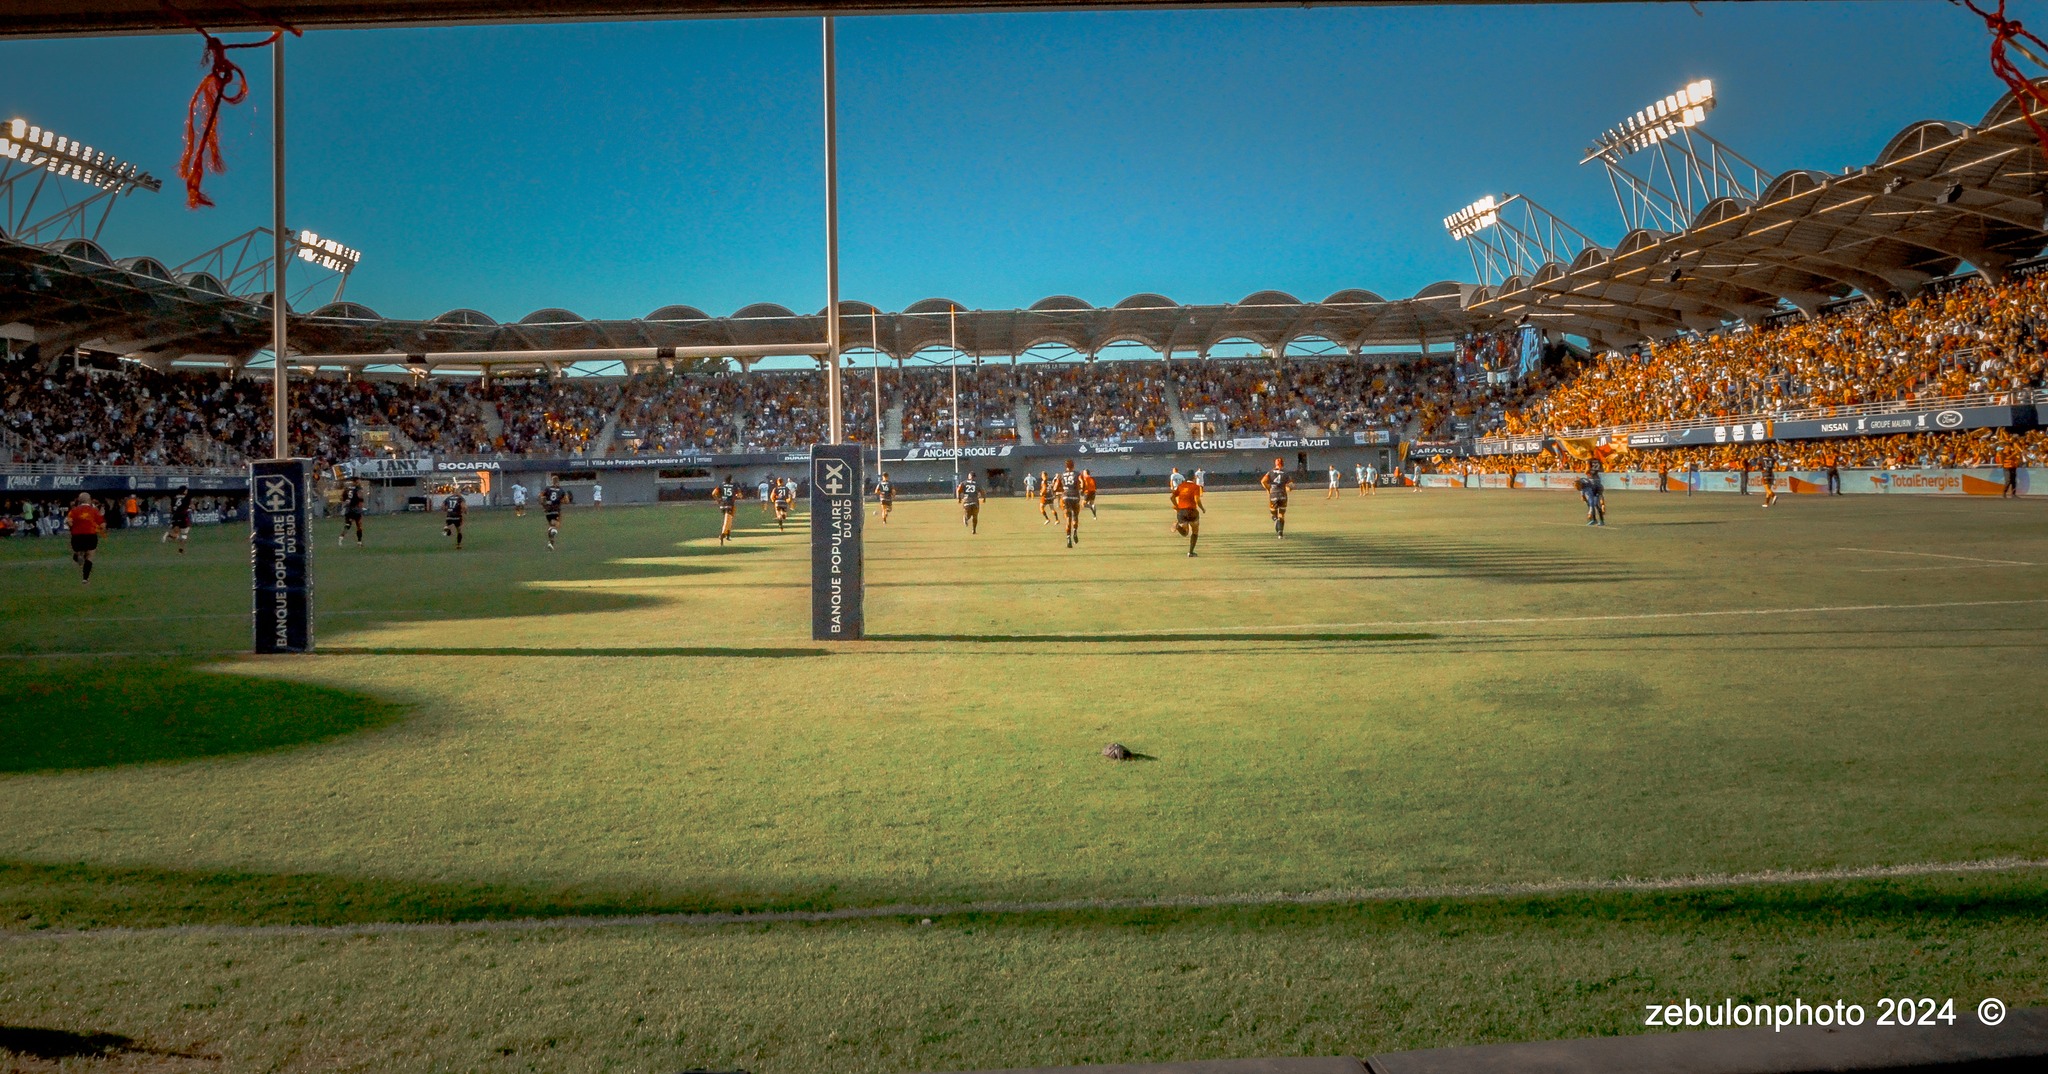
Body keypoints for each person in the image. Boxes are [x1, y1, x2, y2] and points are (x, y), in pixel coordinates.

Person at [66, 493, 104, 584]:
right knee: (90, 556)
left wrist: (72, 528)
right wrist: (100, 530)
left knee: (79, 551)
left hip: (77, 536)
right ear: (89, 500)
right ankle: (85, 579)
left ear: (79, 501)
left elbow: (68, 522)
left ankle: (78, 555)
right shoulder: (94, 510)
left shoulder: (74, 511)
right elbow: (102, 524)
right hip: (90, 535)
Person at [1171, 470, 1205, 557]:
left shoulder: (1181, 486)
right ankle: (1190, 552)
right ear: (1194, 477)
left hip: (1182, 512)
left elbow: (1172, 497)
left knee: (1185, 533)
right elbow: (1197, 500)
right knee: (1195, 531)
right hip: (1192, 512)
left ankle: (1178, 527)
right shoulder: (1196, 487)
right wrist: (1202, 508)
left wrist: (1177, 506)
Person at [1260, 457, 1293, 537]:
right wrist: (1288, 488)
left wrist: (1268, 488)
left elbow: (1263, 481)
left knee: (1273, 513)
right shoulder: (1286, 473)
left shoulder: (1270, 472)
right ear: (1283, 463)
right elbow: (1291, 485)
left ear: (1275, 464)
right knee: (1281, 514)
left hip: (1273, 494)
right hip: (1283, 495)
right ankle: (1280, 534)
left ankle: (1275, 520)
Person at [1056, 459, 1084, 548]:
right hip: (1075, 496)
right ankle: (1075, 531)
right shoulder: (1077, 474)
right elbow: (1082, 484)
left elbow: (1055, 487)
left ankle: (1068, 538)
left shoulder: (1062, 475)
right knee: (1075, 516)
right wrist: (1081, 489)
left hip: (1065, 497)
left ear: (1066, 466)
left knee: (1068, 518)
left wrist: (1063, 489)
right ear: (1073, 466)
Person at [162, 484, 194, 553]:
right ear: (184, 491)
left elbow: (171, 509)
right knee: (184, 534)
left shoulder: (174, 498)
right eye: (186, 490)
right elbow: (191, 506)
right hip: (183, 517)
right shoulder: (187, 498)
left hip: (175, 517)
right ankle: (181, 550)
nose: (187, 491)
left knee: (176, 534)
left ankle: (169, 535)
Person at [541, 476, 568, 550]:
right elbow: (567, 501)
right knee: (556, 526)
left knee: (551, 525)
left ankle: (550, 543)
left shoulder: (547, 489)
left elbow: (541, 498)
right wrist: (560, 501)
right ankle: (551, 539)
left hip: (548, 511)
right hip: (556, 510)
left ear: (552, 481)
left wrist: (544, 506)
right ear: (558, 481)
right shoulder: (561, 490)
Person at [715, 473, 742, 545]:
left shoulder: (721, 485)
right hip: (730, 504)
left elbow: (713, 493)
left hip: (722, 504)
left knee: (729, 519)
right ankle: (723, 534)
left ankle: (728, 534)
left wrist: (718, 500)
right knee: (727, 520)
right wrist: (737, 495)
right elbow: (740, 495)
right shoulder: (734, 485)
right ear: (731, 479)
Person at [339, 480, 366, 547]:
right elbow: (360, 498)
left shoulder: (347, 489)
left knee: (348, 525)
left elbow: (342, 498)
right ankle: (359, 542)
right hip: (356, 509)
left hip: (348, 510)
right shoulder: (358, 489)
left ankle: (341, 537)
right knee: (359, 525)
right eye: (358, 481)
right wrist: (361, 507)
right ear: (355, 482)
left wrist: (345, 502)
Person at [957, 470, 983, 534]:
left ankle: (966, 518)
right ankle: (974, 530)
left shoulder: (964, 483)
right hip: (975, 501)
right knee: (975, 516)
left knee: (968, 515)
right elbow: (982, 491)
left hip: (966, 501)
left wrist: (959, 498)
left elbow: (958, 490)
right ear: (974, 477)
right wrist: (984, 498)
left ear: (969, 476)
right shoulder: (977, 483)